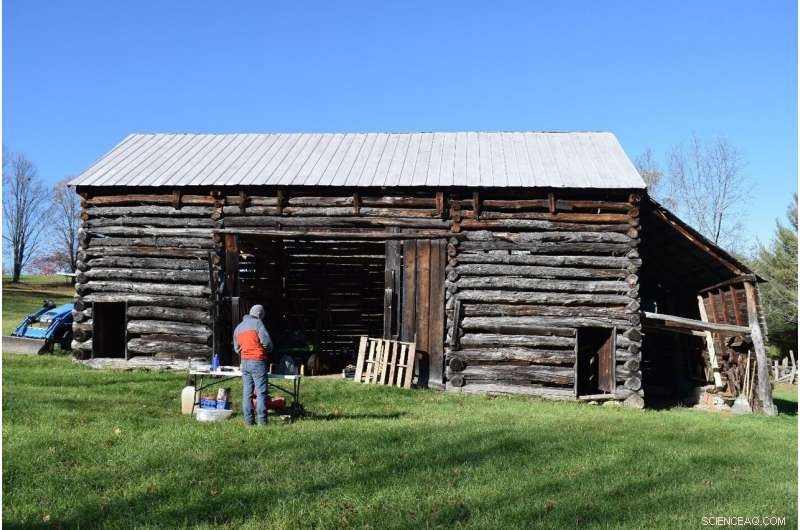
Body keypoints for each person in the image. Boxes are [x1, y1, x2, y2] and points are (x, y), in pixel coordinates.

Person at [233, 305, 273, 425]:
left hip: (244, 363)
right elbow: (267, 343)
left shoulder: (238, 328)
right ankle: (262, 422)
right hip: (257, 361)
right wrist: (269, 349)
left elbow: (236, 348)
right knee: (261, 393)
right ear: (260, 315)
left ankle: (249, 422)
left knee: (247, 393)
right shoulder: (258, 324)